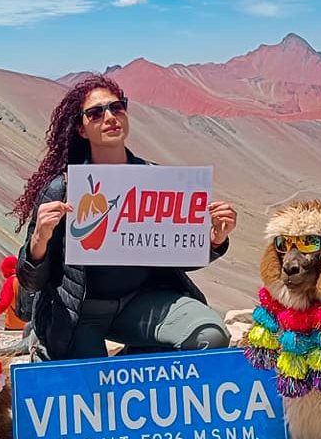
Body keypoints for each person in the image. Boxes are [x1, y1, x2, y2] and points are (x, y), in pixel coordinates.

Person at [12, 74, 236, 361]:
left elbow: (175, 252)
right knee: (92, 383)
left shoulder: (153, 178)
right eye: (95, 113)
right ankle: (47, 349)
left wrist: (214, 241)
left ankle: (139, 355)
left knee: (210, 336)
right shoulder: (64, 188)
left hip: (140, 303)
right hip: (79, 312)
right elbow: (31, 281)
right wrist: (40, 239)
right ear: (81, 129)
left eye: (117, 108)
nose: (110, 117)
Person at [0, 256, 27, 331]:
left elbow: (3, 304)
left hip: (14, 328)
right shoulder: (28, 280)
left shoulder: (11, 281)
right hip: (29, 326)